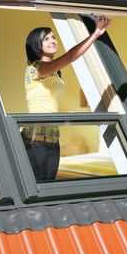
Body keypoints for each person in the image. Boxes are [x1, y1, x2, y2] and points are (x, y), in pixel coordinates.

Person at [22, 15, 110, 181]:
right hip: (35, 139)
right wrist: (95, 34)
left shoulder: (55, 73)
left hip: (52, 138)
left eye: (53, 37)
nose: (52, 41)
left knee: (48, 185)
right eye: (46, 39)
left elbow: (51, 103)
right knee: (38, 186)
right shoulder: (34, 68)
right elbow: (70, 56)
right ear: (36, 45)